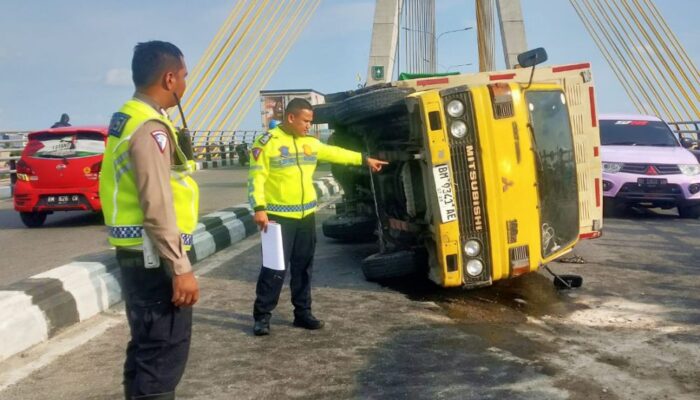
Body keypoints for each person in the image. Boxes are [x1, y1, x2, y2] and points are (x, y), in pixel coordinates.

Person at [99, 40, 199, 400]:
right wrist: (180, 267)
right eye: (184, 76)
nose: (186, 84)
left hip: (137, 251)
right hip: (154, 256)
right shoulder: (151, 127)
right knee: (163, 354)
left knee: (145, 349)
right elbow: (156, 202)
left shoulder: (126, 117)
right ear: (170, 78)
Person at [248, 98, 388, 336]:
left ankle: (302, 313)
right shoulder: (266, 143)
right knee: (274, 268)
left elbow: (336, 153)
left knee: (303, 267)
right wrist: (259, 208)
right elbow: (256, 178)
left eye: (310, 122)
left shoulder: (310, 144)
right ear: (291, 118)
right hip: (277, 217)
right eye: (305, 121)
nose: (308, 127)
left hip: (305, 216)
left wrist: (364, 159)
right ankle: (262, 316)